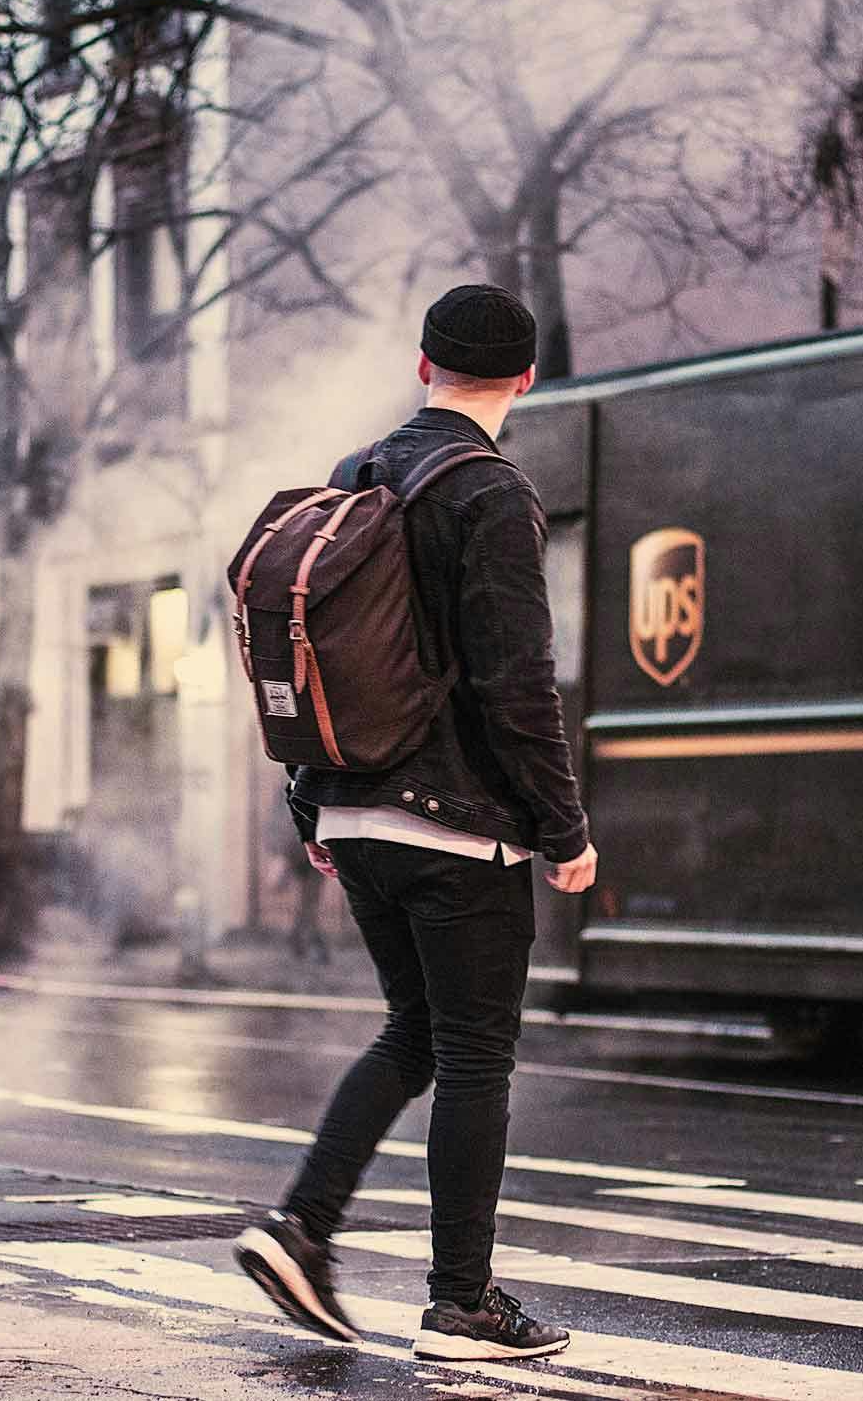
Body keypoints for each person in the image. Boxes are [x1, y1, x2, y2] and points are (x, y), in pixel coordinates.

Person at [235, 285, 597, 1362]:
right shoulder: (489, 494)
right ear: (525, 379)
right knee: (475, 1053)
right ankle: (461, 1301)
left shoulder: (356, 475)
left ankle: (301, 1226)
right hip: (456, 828)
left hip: (352, 812)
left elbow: (306, 651)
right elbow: (516, 684)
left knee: (414, 1035)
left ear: (420, 365)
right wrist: (563, 830)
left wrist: (311, 801)